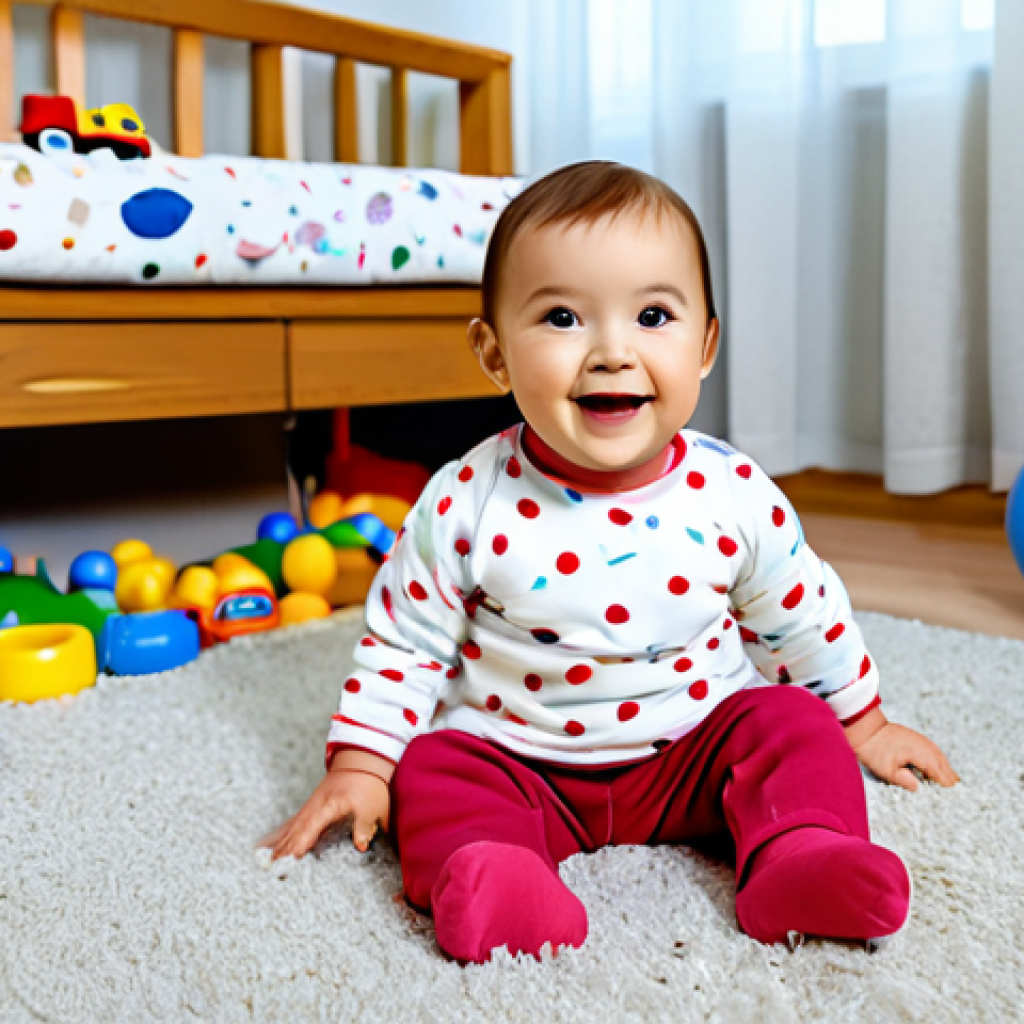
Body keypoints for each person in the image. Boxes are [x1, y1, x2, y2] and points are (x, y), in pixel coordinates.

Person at [260, 161, 958, 964]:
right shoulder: (464, 500)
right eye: (562, 318)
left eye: (653, 316)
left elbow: (800, 615)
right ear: (494, 354)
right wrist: (361, 764)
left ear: (706, 345)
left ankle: (800, 855)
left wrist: (863, 723)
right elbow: (405, 643)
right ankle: (503, 882)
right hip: (520, 762)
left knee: (792, 724)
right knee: (433, 767)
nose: (612, 353)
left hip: (695, 752)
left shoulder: (732, 493)